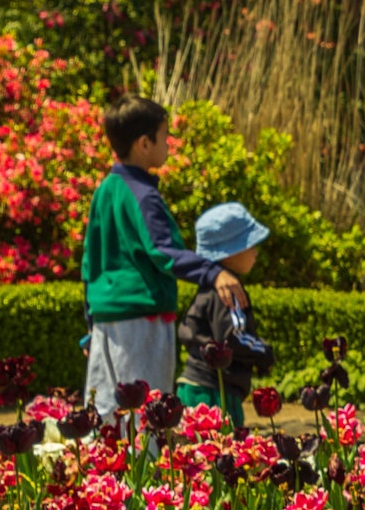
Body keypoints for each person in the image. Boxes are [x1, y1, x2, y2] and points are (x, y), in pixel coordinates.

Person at [81, 98, 243, 418]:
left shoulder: (104, 190)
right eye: (164, 135)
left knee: (105, 418)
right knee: (149, 419)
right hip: (143, 322)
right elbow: (162, 251)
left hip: (104, 323)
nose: (168, 143)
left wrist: (90, 326)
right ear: (144, 143)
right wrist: (213, 273)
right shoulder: (143, 195)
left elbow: (90, 264)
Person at [176, 202, 277, 428]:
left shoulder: (210, 288)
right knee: (223, 455)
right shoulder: (228, 291)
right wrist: (264, 352)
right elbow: (233, 338)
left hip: (194, 387)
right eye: (250, 245)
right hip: (214, 393)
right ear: (230, 254)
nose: (256, 252)